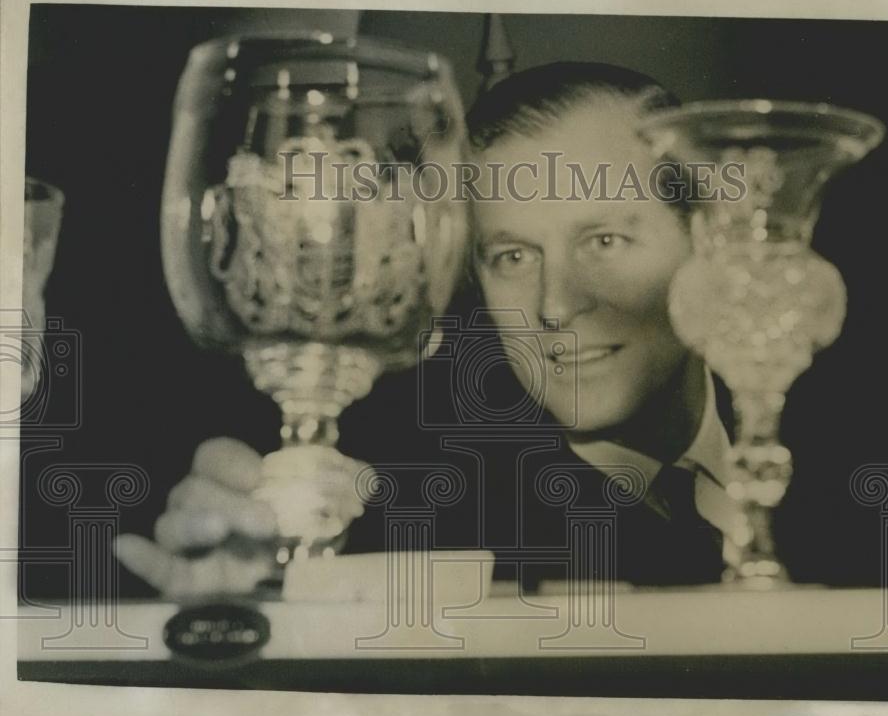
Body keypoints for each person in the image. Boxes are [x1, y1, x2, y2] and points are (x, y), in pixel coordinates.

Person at [114, 62, 744, 596]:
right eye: (513, 257)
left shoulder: (833, 433)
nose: (555, 305)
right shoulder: (408, 503)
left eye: (605, 240)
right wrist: (268, 591)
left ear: (708, 236)